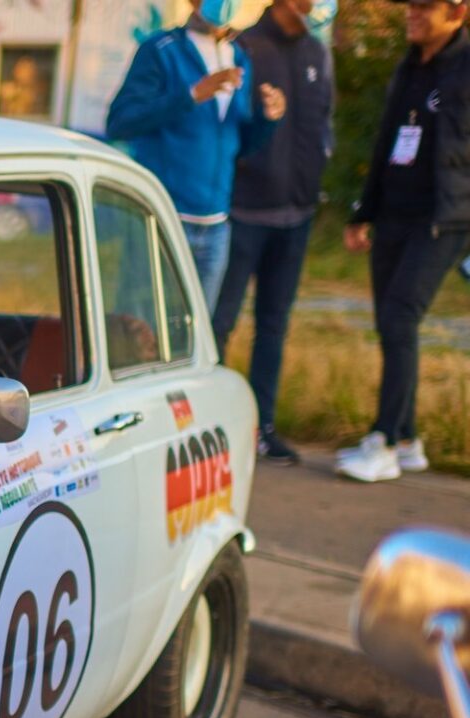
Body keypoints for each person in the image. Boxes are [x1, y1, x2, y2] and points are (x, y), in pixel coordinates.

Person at [339, 0, 470, 482]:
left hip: (443, 221)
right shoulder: (408, 66)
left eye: (425, 7)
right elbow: (387, 141)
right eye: (411, 6)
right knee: (390, 323)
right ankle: (410, 439)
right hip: (393, 216)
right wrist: (363, 212)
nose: (413, 14)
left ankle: (384, 441)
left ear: (457, 13)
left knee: (399, 317)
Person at [210, 0, 335, 464]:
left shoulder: (318, 54)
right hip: (244, 212)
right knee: (220, 323)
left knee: (274, 326)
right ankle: (215, 428)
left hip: (296, 215)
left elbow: (324, 125)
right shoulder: (244, 47)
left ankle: (263, 427)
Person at [107, 0, 288, 308]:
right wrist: (192, 95)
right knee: (141, 327)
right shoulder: (161, 50)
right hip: (163, 218)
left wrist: (268, 120)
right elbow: (120, 122)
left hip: (215, 225)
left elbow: (239, 144)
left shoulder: (239, 56)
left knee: (196, 331)